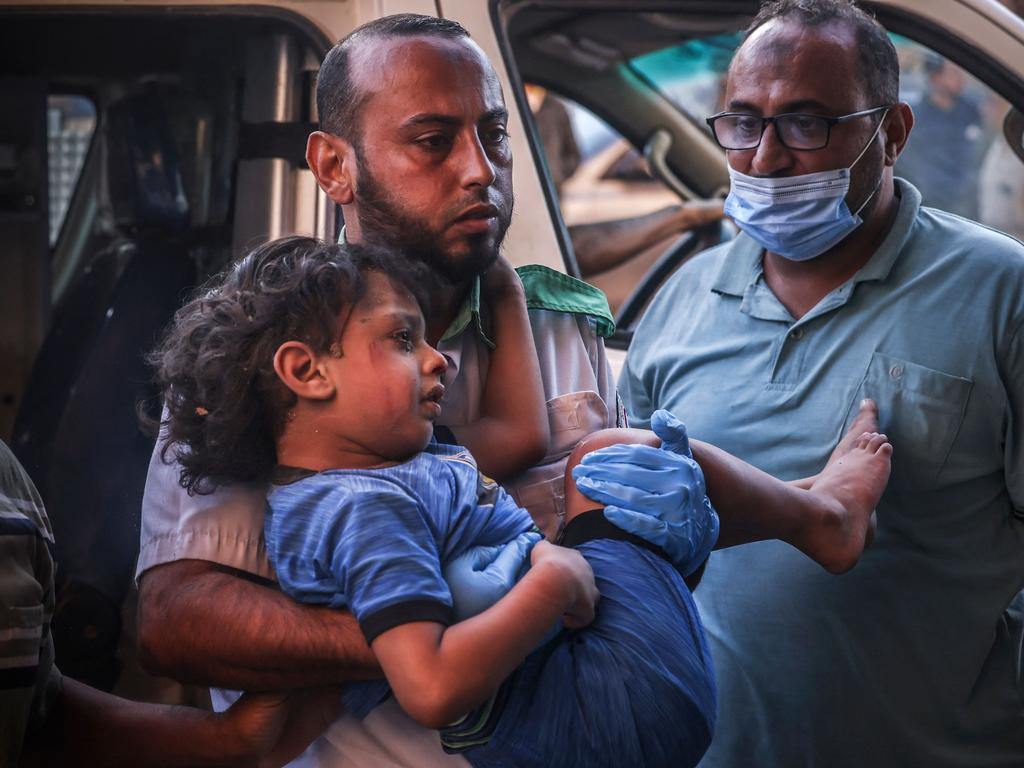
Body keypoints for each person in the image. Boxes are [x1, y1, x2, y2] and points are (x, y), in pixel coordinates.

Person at [138, 14, 889, 767]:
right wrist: (450, 631)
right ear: (335, 166)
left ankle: (818, 514)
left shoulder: (560, 328)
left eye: (494, 135)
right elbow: (177, 619)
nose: (479, 170)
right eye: (432, 141)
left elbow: (602, 529)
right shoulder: (257, 352)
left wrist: (663, 537)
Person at [149, 234, 892, 767]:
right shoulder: (359, 512)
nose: (435, 356)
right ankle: (820, 518)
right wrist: (548, 582)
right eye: (404, 339)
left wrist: (499, 282)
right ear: (306, 373)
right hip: (594, 706)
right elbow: (430, 683)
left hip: (591, 700)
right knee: (607, 460)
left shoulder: (404, 463)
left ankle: (803, 504)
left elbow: (517, 433)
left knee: (598, 473)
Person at [610, 1, 1024, 765]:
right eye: (742, 123)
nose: (765, 159)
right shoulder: (684, 298)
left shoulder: (1001, 294)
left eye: (806, 124)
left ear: (892, 132)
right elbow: (627, 553)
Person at [0, 438, 339, 767]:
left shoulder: (9, 482)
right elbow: (170, 619)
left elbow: (35, 717)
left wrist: (230, 740)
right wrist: (376, 630)